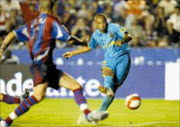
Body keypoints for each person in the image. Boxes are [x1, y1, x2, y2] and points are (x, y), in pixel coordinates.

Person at [0, 1, 108, 127]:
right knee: (38, 96)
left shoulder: (32, 24)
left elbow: (12, 34)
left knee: (76, 86)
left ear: (40, 8)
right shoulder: (51, 22)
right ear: (53, 8)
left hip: (47, 66)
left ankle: (87, 114)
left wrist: (2, 49)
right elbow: (69, 39)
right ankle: (6, 121)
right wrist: (83, 43)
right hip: (42, 66)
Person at [63, 13, 132, 112]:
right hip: (109, 59)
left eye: (104, 22)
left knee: (113, 90)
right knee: (107, 70)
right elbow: (89, 47)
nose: (102, 25)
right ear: (96, 24)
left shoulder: (114, 27)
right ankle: (107, 88)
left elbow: (129, 36)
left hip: (123, 58)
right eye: (99, 23)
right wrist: (73, 53)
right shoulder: (96, 35)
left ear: (106, 22)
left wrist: (122, 41)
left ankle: (100, 112)